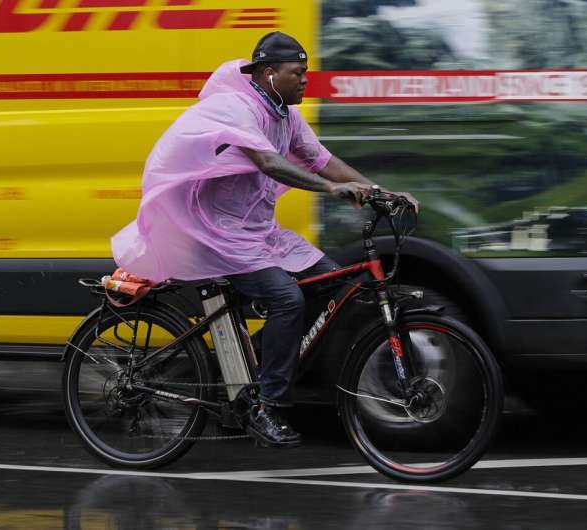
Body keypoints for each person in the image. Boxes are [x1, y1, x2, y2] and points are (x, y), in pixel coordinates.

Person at [112, 32, 417, 448]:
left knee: (335, 283)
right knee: (287, 299)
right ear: (269, 73)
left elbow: (322, 160)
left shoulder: (285, 115)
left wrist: (381, 192)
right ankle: (266, 407)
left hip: (255, 234)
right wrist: (331, 190)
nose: (306, 80)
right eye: (298, 72)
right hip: (214, 233)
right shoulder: (236, 107)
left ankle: (252, 368)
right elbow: (269, 162)